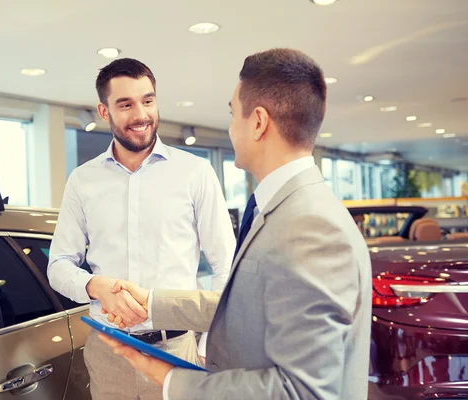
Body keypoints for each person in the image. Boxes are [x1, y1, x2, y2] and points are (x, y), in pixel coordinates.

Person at [99, 48, 372, 400]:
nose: (230, 128)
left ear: (257, 122)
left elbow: (303, 392)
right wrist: (152, 303)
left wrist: (170, 378)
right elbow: (248, 305)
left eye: (233, 114)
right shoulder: (284, 210)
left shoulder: (312, 228)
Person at [47, 57, 235, 399]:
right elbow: (58, 265)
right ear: (104, 112)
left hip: (176, 352)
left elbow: (227, 264)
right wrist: (92, 285)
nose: (141, 114)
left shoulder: (195, 173)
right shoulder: (82, 181)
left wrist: (210, 343)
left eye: (148, 100)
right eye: (126, 104)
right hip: (107, 354)